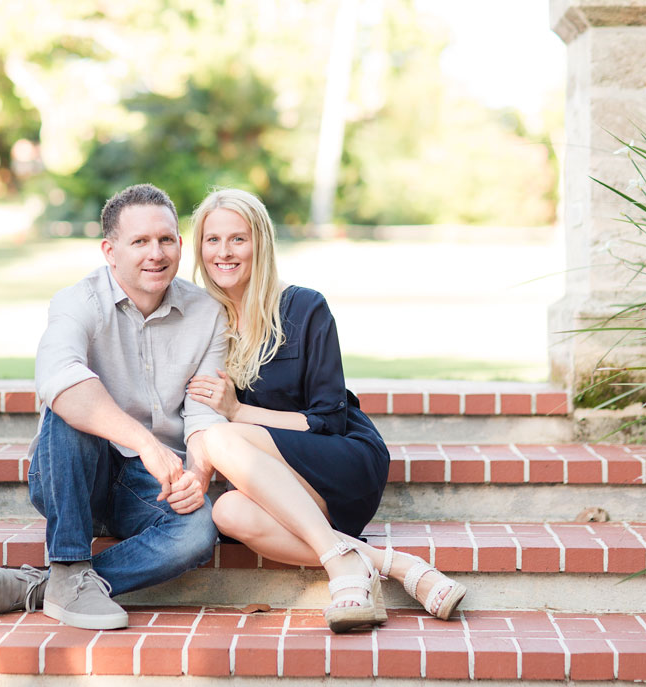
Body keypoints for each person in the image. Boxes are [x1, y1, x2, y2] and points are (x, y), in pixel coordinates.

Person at [185, 188, 466, 633]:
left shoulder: (303, 307)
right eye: (212, 240)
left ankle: (340, 569)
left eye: (238, 239)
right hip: (279, 485)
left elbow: (327, 420)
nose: (224, 252)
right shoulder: (204, 321)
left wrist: (237, 413)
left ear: (261, 242)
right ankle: (387, 564)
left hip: (341, 459)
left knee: (220, 435)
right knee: (228, 513)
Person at [0, 183, 228, 629]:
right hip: (72, 477)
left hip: (150, 483)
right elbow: (62, 380)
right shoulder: (77, 301)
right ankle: (69, 563)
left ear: (180, 244)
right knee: (70, 406)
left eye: (166, 239)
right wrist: (147, 444)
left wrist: (199, 474)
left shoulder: (207, 313)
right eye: (140, 242)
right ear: (110, 251)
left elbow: (204, 411)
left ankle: (47, 585)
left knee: (196, 532)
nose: (156, 253)